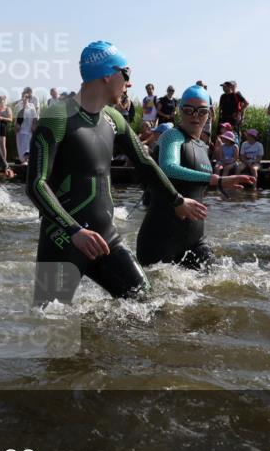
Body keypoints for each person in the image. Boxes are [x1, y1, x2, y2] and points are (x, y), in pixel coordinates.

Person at [27, 41, 207, 305]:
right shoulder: (57, 117)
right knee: (50, 327)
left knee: (147, 305)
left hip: (105, 238)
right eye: (127, 74)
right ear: (107, 75)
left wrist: (177, 200)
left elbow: (144, 163)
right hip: (64, 239)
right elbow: (36, 185)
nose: (129, 83)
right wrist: (74, 231)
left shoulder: (114, 118)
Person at [136, 85, 254, 269]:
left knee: (218, 288)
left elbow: (194, 185)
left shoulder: (203, 146)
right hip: (160, 239)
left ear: (210, 114)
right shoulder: (172, 136)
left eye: (202, 111)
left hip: (194, 241)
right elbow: (169, 168)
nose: (195, 116)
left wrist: (220, 187)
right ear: (179, 110)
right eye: (188, 110)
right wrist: (217, 180)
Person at [15, 88, 38, 164]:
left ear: (28, 98)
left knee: (27, 144)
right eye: (23, 96)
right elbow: (16, 117)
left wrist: (34, 125)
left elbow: (35, 117)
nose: (25, 98)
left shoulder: (32, 106)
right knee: (21, 145)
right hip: (20, 129)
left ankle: (26, 159)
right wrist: (16, 125)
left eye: (26, 97)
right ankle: (22, 159)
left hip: (28, 129)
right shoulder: (18, 105)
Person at [0, 95, 12, 162]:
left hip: (3, 125)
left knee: (2, 143)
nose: (0, 101)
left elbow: (10, 119)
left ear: (4, 100)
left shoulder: (7, 108)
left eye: (2, 100)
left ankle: (4, 160)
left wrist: (2, 118)